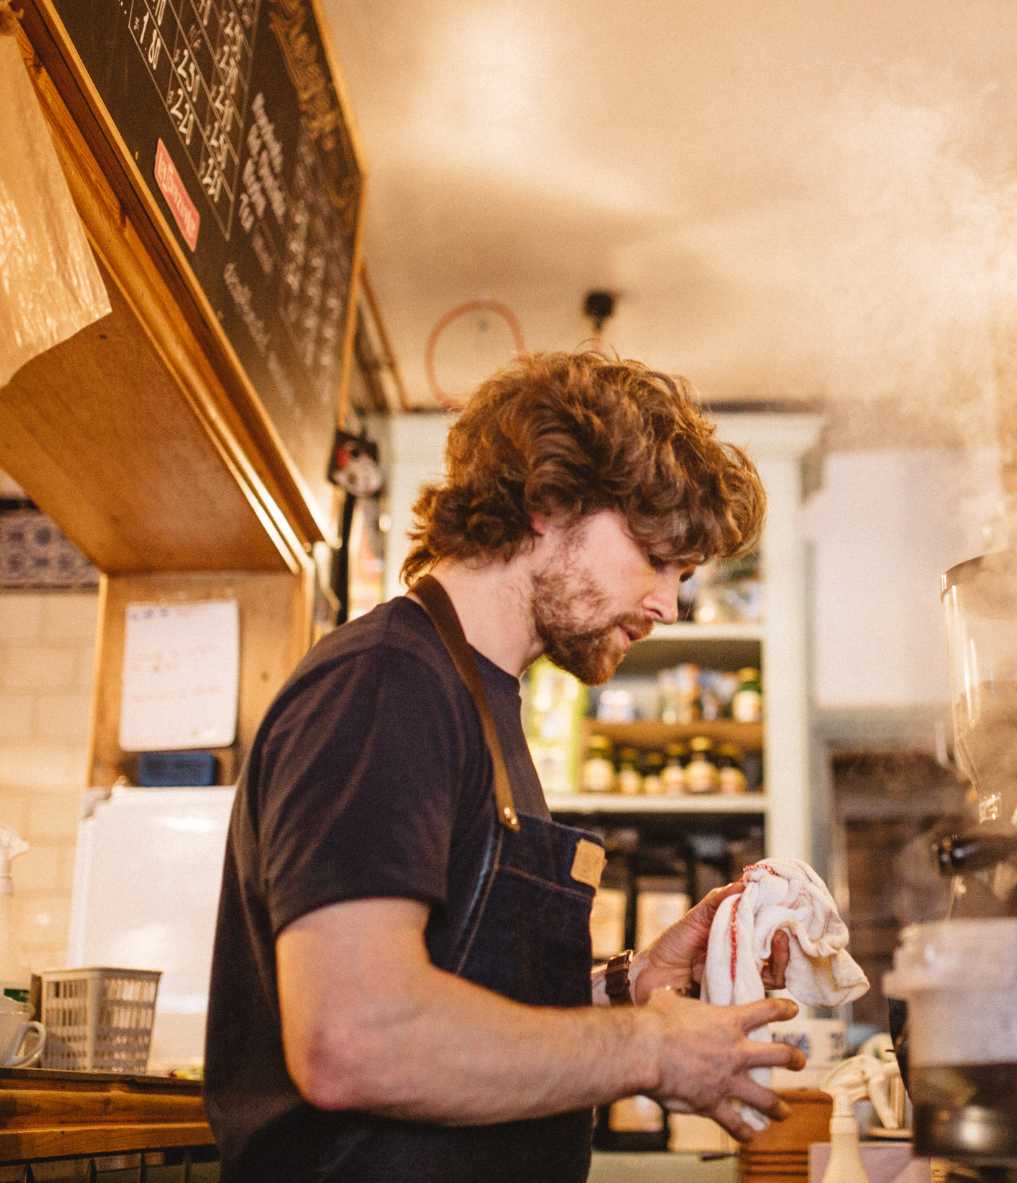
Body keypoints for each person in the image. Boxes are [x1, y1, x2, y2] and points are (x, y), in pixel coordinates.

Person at [205, 351, 803, 1182]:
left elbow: (463, 999)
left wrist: (631, 983)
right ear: (548, 505)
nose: (667, 603)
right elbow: (353, 1037)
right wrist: (649, 1047)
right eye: (655, 556)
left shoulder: (479, 698)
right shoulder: (384, 683)